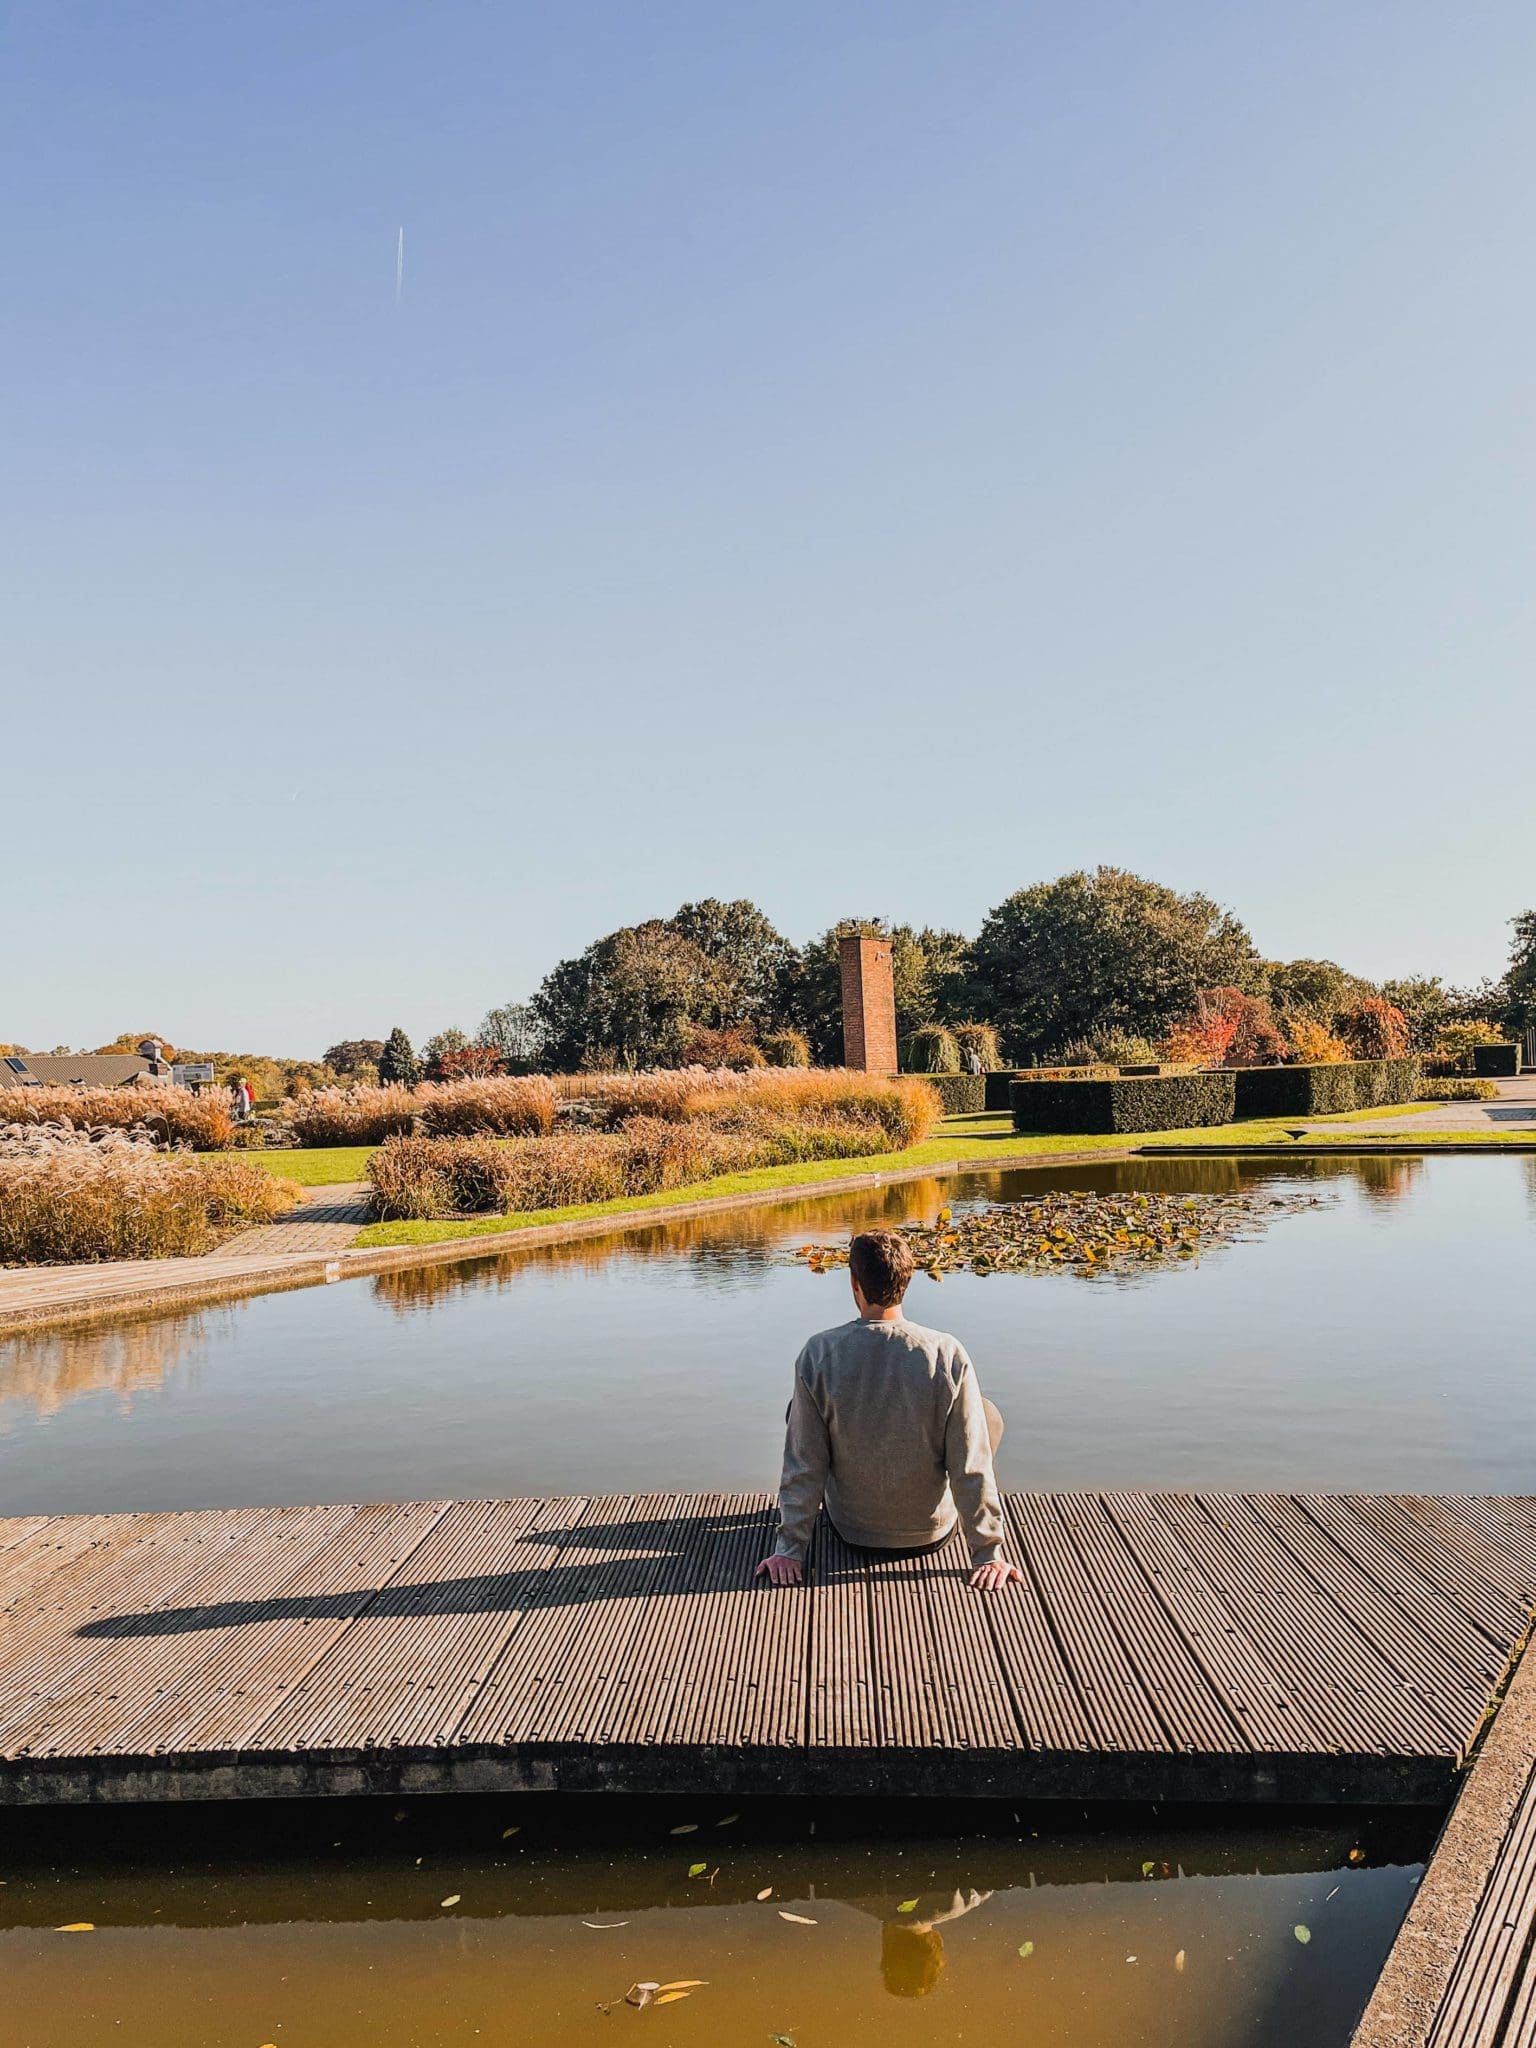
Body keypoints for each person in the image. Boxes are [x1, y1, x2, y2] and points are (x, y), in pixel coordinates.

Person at [755, 1227, 1023, 1592]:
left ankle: (815, 1515)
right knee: (984, 1415)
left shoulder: (819, 1354)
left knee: (799, 1413)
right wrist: (986, 1552)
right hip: (930, 1532)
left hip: (850, 1529)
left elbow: (804, 1461)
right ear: (906, 1281)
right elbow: (970, 1463)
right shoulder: (946, 1353)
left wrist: (789, 1550)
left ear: (855, 1284)